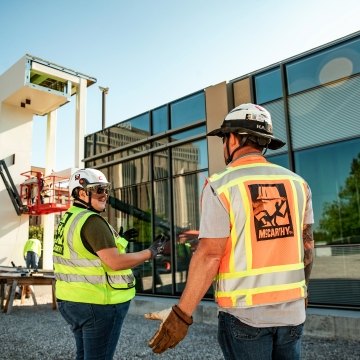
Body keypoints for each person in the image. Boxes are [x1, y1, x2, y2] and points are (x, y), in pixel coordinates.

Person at [145, 103, 314, 360]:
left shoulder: (221, 185)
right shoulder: (297, 184)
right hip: (292, 314)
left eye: (224, 138)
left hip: (245, 316)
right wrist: (303, 292)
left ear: (234, 138)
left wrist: (182, 314)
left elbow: (210, 255)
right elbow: (307, 246)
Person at [53, 168, 169, 360]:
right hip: (98, 303)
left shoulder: (69, 218)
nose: (105, 195)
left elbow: (87, 252)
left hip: (71, 301)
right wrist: (150, 252)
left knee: (83, 355)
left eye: (106, 189)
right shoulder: (92, 221)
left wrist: (120, 240)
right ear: (82, 193)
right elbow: (114, 262)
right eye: (98, 189)